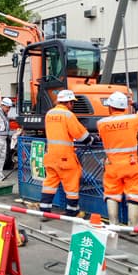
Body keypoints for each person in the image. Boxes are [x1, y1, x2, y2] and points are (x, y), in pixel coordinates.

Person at [97, 91, 138, 232]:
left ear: (110, 107)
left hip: (112, 165)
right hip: (131, 164)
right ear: (125, 107)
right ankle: (133, 228)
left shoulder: (101, 123)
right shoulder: (133, 119)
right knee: (134, 194)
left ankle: (113, 225)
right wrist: (134, 103)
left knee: (111, 194)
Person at [40, 89, 93, 218]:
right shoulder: (68, 115)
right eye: (72, 103)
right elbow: (80, 134)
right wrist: (91, 139)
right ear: (69, 103)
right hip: (65, 157)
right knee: (71, 184)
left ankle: (45, 211)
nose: (72, 105)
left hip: (51, 155)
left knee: (49, 184)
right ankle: (72, 211)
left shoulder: (49, 114)